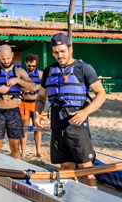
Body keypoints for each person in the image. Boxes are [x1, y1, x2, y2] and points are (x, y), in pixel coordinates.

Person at [34, 33, 106, 187]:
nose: (59, 55)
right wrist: (37, 113)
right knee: (65, 168)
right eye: (56, 52)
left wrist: (85, 112)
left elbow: (101, 94)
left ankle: (92, 199)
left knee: (86, 169)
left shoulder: (84, 68)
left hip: (78, 127)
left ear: (70, 49)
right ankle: (70, 198)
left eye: (62, 51)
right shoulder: (48, 71)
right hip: (57, 127)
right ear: (52, 52)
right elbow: (41, 96)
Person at [0, 45, 38, 159]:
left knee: (15, 147)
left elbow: (33, 87)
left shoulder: (19, 71)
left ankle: (16, 169)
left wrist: (18, 80)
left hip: (14, 112)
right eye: (3, 59)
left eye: (8, 58)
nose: (6, 61)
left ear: (12, 55)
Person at [18, 53, 44, 157]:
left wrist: (35, 87)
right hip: (25, 104)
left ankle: (38, 151)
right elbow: (17, 86)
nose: (31, 68)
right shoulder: (21, 73)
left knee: (37, 128)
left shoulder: (40, 74)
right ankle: (23, 152)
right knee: (24, 128)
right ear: (26, 63)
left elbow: (45, 86)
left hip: (37, 104)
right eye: (29, 66)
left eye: (33, 66)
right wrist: (26, 88)